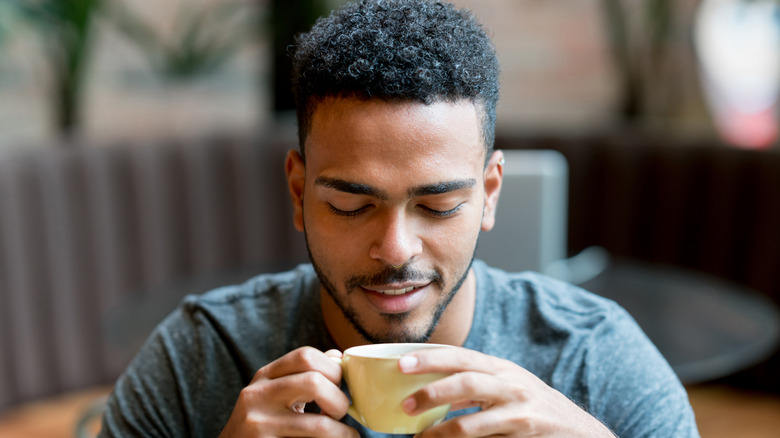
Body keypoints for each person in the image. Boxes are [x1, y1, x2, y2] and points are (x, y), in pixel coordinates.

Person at [99, 1, 700, 437]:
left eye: (438, 206)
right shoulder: (201, 356)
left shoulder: (593, 359)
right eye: (350, 205)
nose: (395, 249)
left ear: (490, 193)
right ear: (298, 190)